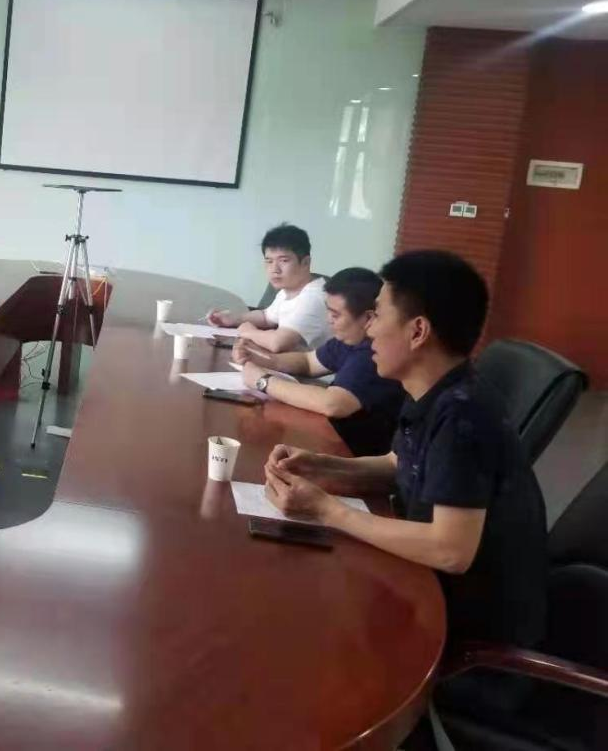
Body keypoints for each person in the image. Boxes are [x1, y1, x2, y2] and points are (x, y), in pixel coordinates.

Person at [262, 251, 547, 695]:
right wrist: (320, 465)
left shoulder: (463, 417)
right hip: (423, 591)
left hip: (465, 646)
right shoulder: (436, 393)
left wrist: (327, 511)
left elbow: (450, 549)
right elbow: (399, 464)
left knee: (292, 646)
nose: (369, 329)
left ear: (418, 331)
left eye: (378, 315)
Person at [238, 267, 405, 456]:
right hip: (331, 438)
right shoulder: (350, 338)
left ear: (368, 318)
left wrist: (263, 381)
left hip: (354, 455)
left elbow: (333, 404)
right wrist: (261, 359)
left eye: (335, 315)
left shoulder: (374, 352)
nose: (329, 320)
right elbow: (308, 362)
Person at [206, 223, 330, 353]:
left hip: (314, 365)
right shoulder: (288, 290)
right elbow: (266, 317)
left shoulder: (313, 297)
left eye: (284, 261)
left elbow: (277, 343)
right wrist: (232, 319)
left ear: (305, 263)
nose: (274, 269)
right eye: (269, 261)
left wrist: (249, 332)